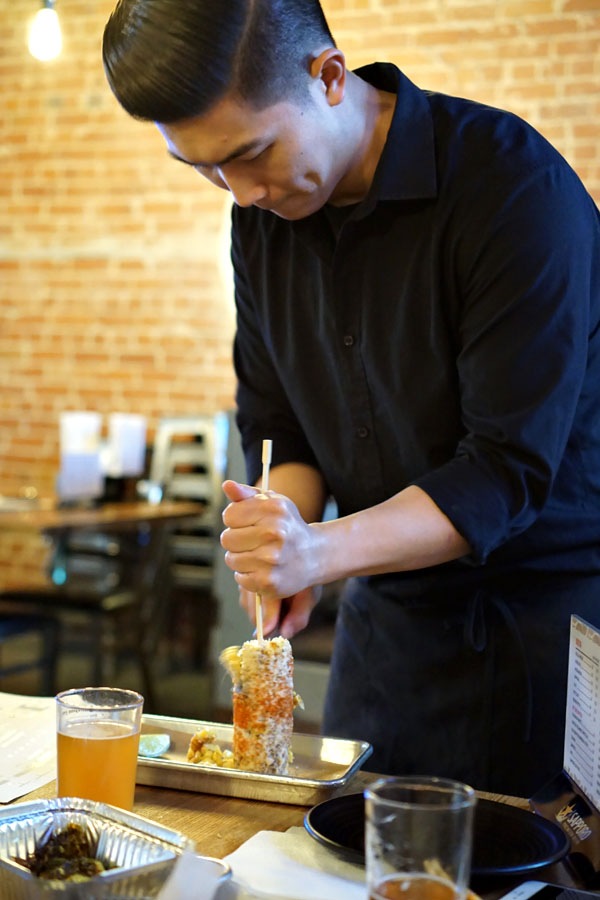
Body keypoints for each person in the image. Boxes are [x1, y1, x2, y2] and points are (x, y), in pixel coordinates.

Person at [102, 0, 600, 796]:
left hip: (532, 634)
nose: (238, 193)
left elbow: (504, 472)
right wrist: (282, 529)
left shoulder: (512, 189)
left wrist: (319, 550)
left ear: (330, 77)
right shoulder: (260, 217)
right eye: (203, 169)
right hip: (384, 640)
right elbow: (279, 424)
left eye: (250, 153)